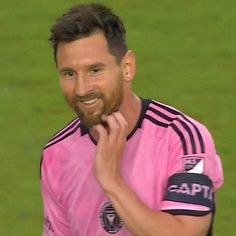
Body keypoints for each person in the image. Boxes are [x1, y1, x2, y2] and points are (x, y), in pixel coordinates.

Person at [40, 3, 224, 236]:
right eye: (69, 74)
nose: (82, 88)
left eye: (95, 70)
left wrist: (111, 181)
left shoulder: (183, 138)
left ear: (127, 67)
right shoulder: (56, 153)